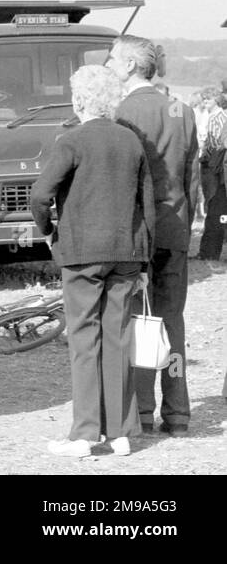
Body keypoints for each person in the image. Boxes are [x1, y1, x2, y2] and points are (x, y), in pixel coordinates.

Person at [31, 65, 154, 458]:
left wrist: (49, 230)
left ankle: (84, 434)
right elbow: (146, 203)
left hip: (82, 252)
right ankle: (119, 433)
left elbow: (39, 195)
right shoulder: (132, 142)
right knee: (117, 338)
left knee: (85, 340)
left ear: (79, 100)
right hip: (126, 252)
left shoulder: (71, 141)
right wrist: (145, 259)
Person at [107, 35, 198, 436]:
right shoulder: (182, 109)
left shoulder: (122, 111)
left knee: (139, 320)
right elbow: (191, 177)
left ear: (129, 66)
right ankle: (177, 411)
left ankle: (143, 408)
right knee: (171, 319)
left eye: (112, 58)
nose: (109, 64)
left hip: (139, 231)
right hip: (176, 225)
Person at [195, 88, 227, 259]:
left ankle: (209, 252)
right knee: (215, 209)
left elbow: (218, 146)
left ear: (217, 99)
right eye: (204, 100)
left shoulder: (219, 118)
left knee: (215, 209)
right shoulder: (212, 117)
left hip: (215, 169)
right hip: (213, 167)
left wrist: (207, 159)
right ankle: (209, 251)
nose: (205, 102)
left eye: (208, 99)